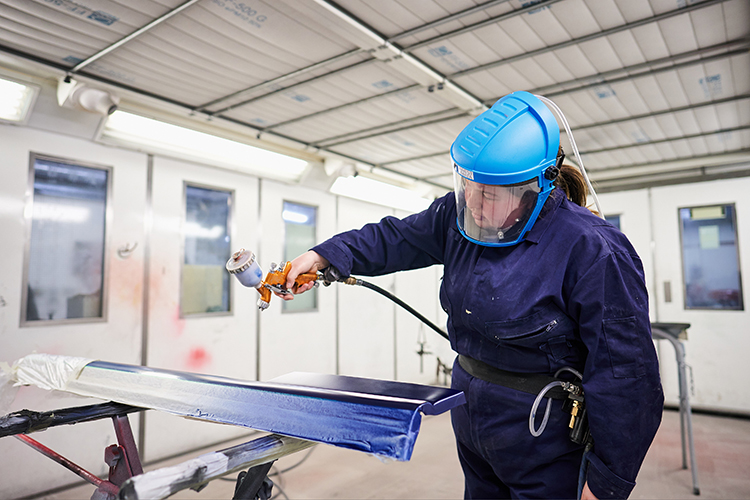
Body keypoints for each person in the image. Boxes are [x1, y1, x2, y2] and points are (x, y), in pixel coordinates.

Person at [280, 91, 663, 500]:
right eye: (468, 188)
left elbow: (627, 377)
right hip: (472, 416)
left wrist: (605, 486)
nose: (475, 206)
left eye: (491, 195)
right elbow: (395, 237)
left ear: (536, 186)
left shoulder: (593, 250)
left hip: (545, 433)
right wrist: (325, 255)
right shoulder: (458, 214)